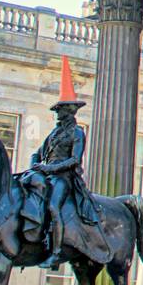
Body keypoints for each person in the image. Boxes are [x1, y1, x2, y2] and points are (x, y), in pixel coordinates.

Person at [18, 60, 110, 268]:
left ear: (69, 111)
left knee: (52, 206)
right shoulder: (55, 132)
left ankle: (56, 252)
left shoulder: (77, 133)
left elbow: (74, 160)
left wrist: (49, 168)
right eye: (57, 110)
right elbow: (38, 153)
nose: (57, 113)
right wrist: (34, 165)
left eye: (60, 109)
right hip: (46, 175)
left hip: (64, 178)